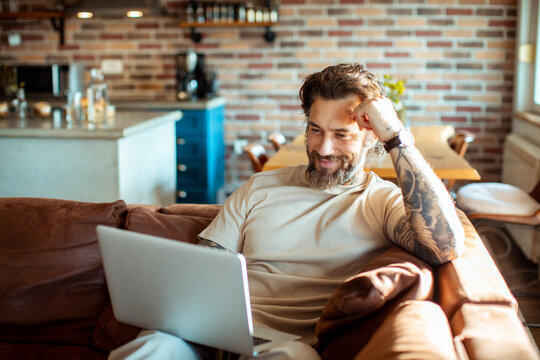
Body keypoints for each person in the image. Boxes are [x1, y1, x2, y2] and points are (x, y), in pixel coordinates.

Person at [109, 63, 465, 360]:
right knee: (152, 346)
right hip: (213, 337)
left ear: (372, 136)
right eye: (315, 130)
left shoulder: (381, 201)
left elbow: (445, 245)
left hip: (290, 349)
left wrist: (397, 137)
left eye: (342, 135)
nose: (324, 148)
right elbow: (208, 265)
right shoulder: (259, 187)